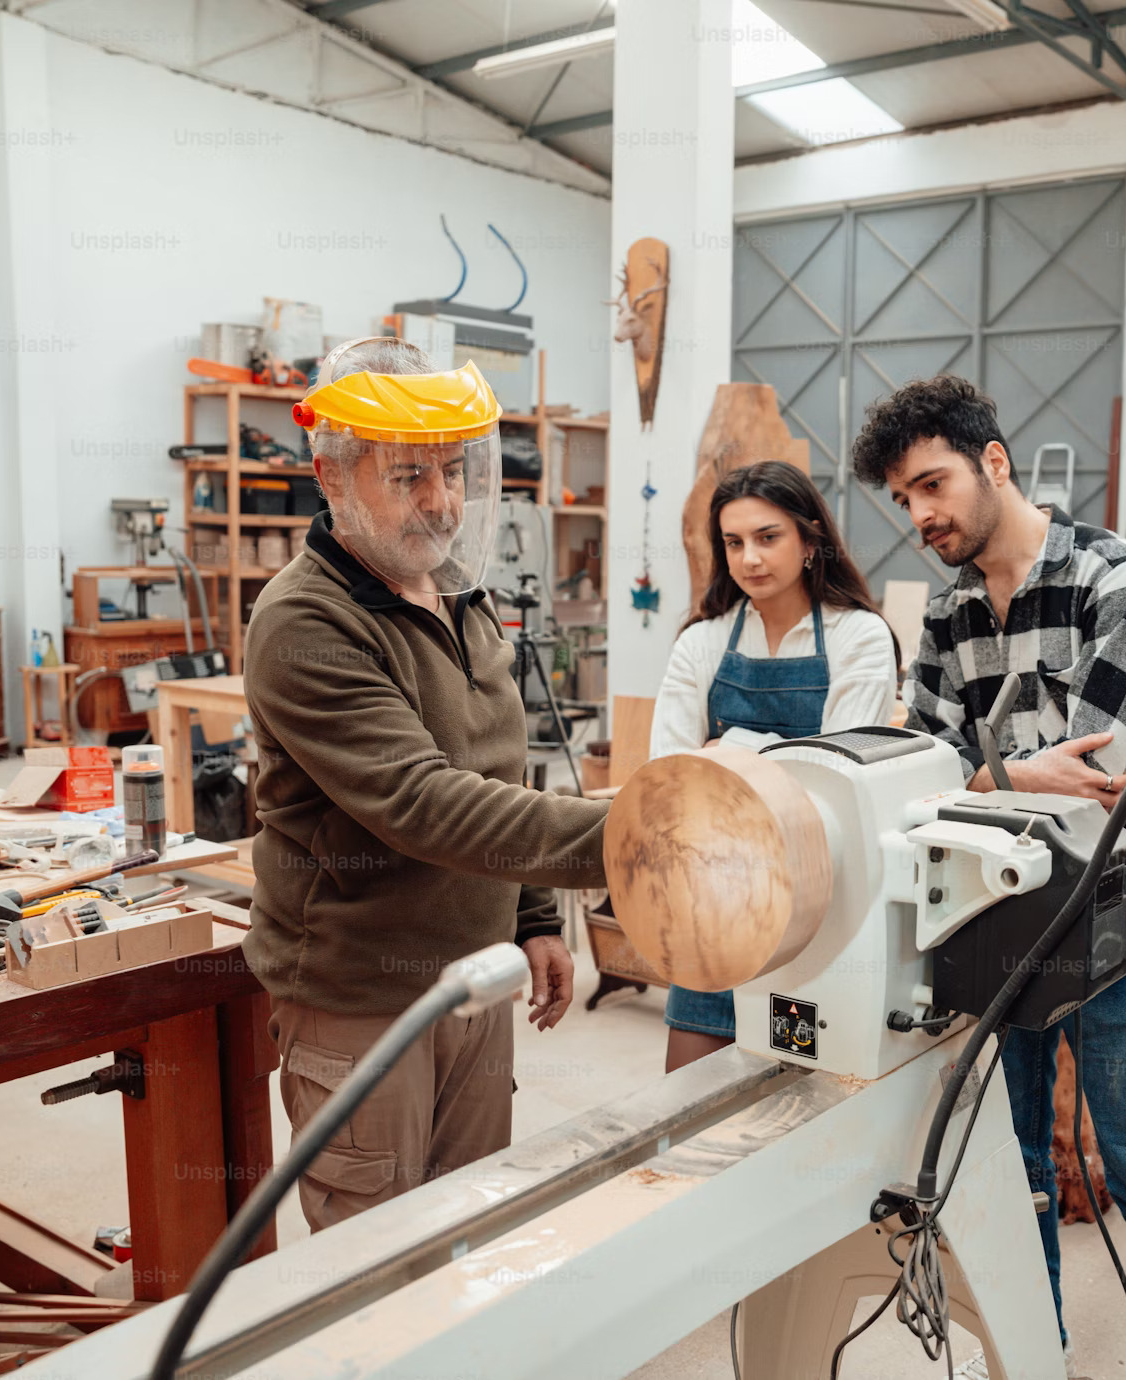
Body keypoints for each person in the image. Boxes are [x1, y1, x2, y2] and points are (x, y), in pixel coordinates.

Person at [850, 374, 1126, 1366]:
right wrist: (996, 771)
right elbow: (913, 773)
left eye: (933, 485)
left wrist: (974, 774)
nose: (921, 514)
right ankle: (1036, 1355)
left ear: (993, 463)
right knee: (1016, 1178)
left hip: (1112, 929)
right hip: (991, 937)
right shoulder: (953, 612)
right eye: (904, 499)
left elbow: (1089, 770)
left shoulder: (1114, 575)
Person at [244, 337, 607, 1232]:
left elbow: (499, 767)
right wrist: (622, 837)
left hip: (474, 979)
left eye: (450, 472)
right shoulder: (303, 620)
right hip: (362, 996)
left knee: (472, 1228)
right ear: (330, 476)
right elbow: (422, 801)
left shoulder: (457, 595)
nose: (440, 502)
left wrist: (530, 919)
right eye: (407, 475)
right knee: (378, 1261)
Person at [649, 460, 899, 1071]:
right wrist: (777, 764)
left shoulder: (859, 636)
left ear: (811, 541)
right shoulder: (702, 641)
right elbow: (670, 777)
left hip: (817, 904)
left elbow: (837, 783)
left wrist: (730, 750)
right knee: (686, 1104)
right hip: (713, 900)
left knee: (796, 1093)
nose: (749, 559)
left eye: (768, 537)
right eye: (733, 543)